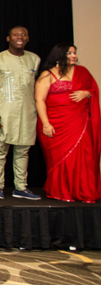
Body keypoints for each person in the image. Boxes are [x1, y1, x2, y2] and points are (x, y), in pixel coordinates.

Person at [35, 44, 101, 203]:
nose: (73, 56)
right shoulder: (47, 74)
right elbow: (39, 100)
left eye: (74, 53)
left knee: (84, 157)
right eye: (69, 53)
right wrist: (46, 124)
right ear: (59, 55)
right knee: (60, 159)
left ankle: (83, 191)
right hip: (55, 123)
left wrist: (87, 93)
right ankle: (61, 191)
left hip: (79, 122)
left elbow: (93, 90)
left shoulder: (82, 71)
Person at [0, 26, 41, 200]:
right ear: (8, 38)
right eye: (16, 34)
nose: (20, 37)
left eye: (24, 34)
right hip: (3, 111)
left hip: (28, 112)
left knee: (23, 151)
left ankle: (21, 187)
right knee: (0, 150)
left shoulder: (34, 59)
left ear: (28, 38)